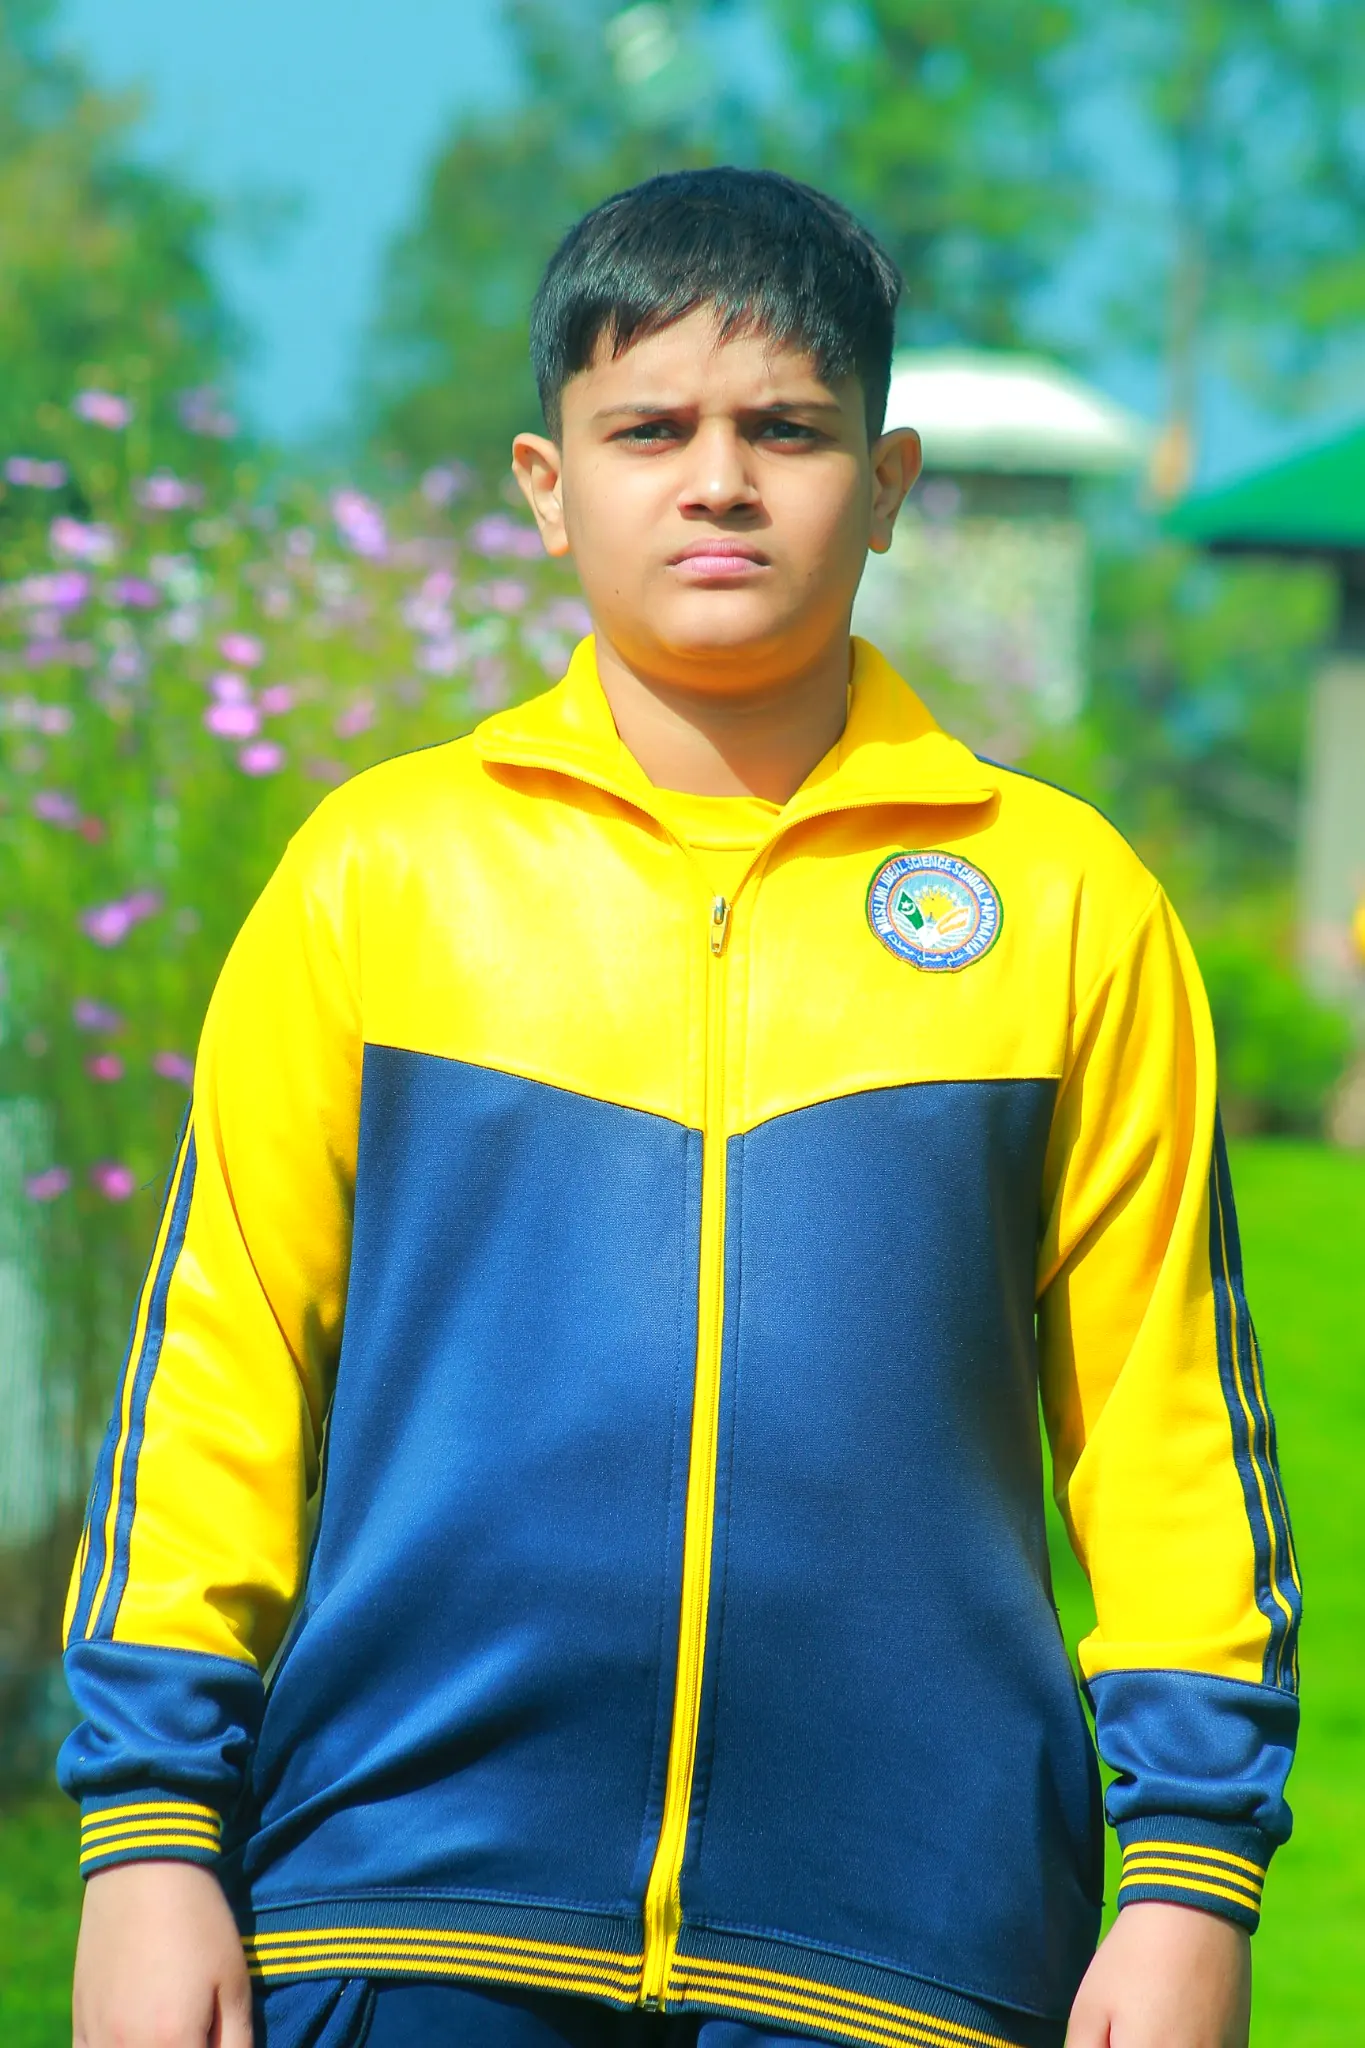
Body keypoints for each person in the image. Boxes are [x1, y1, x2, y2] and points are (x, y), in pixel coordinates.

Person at [63, 169, 1299, 2048]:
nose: (719, 480)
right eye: (650, 429)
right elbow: (217, 1378)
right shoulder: (381, 875)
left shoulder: (1067, 905)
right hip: (407, 1902)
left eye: (786, 430)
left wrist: (1192, 1880)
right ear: (547, 484)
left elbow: (1169, 1433)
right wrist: (149, 1840)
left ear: (887, 486)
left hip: (908, 1944)